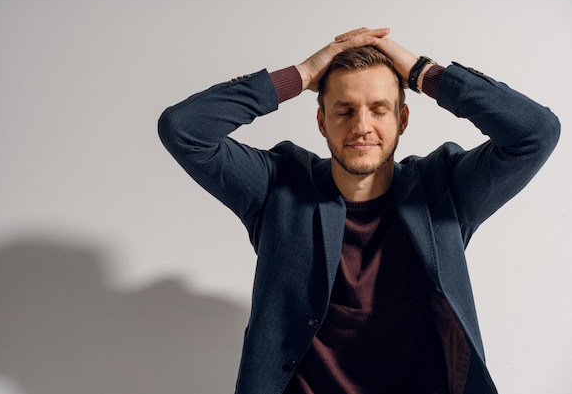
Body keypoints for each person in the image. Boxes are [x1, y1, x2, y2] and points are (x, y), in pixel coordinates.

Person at [157, 27, 560, 394]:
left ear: (402, 119)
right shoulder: (276, 187)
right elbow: (184, 129)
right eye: (345, 110)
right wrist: (300, 75)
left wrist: (422, 72)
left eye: (379, 109)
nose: (362, 126)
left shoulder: (445, 189)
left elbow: (535, 132)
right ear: (322, 121)